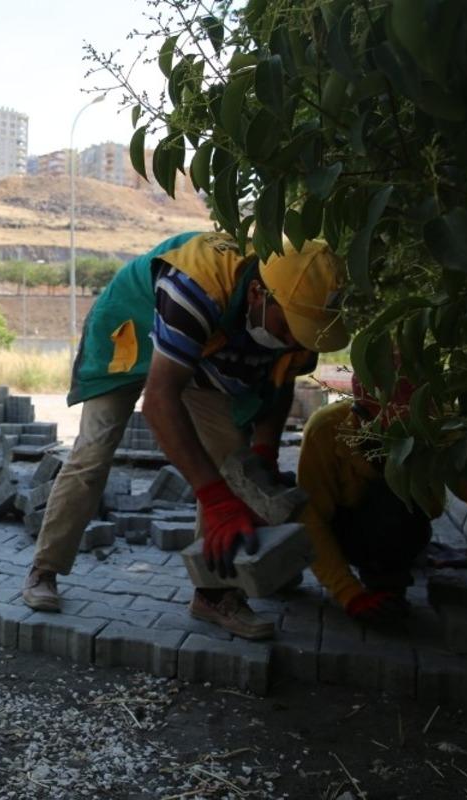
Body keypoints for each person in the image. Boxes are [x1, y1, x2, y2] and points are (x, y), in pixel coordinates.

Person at [22, 231, 349, 640]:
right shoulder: (195, 285)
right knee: (93, 454)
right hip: (127, 330)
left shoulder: (302, 320)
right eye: (285, 327)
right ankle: (44, 570)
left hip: (198, 352)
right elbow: (159, 401)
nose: (290, 339)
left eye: (297, 333)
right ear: (256, 293)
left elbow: (280, 384)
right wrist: (215, 500)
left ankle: (213, 595)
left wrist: (263, 454)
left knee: (234, 462)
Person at [297, 375, 467, 622]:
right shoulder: (326, 429)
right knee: (385, 501)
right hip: (346, 529)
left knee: (395, 503)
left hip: (405, 524)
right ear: (363, 411)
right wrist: (349, 594)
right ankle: (377, 571)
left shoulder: (439, 426)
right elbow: (311, 518)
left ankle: (389, 576)